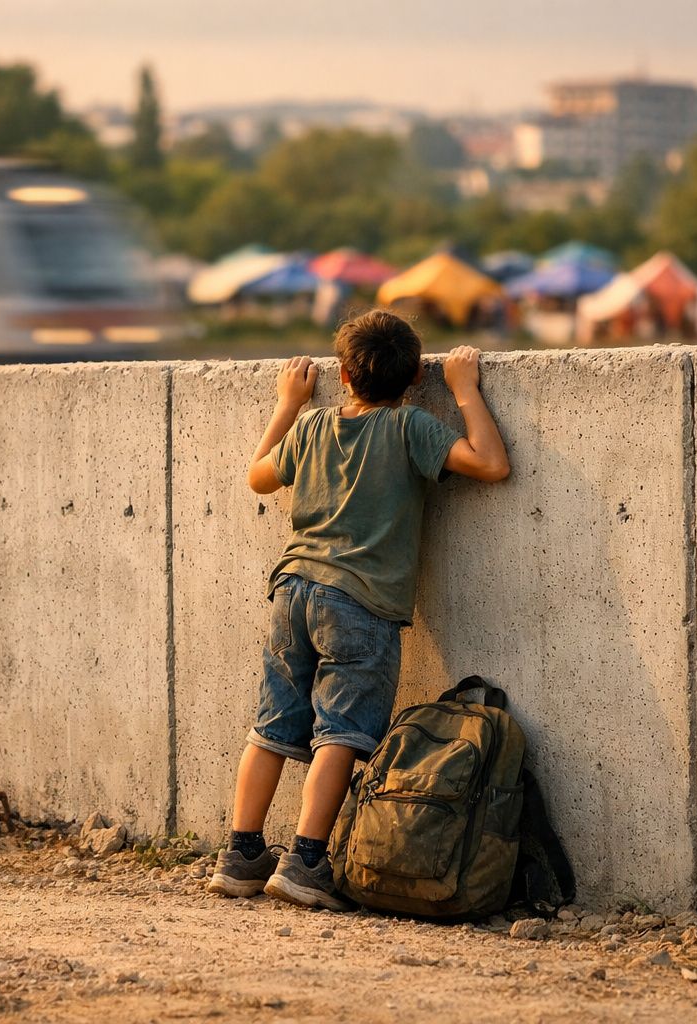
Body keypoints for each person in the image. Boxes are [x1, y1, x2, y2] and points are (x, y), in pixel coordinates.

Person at [206, 308, 511, 910]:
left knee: (271, 729)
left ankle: (240, 856)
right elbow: (492, 464)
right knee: (340, 733)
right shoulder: (410, 428)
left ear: (343, 373)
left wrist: (287, 404)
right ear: (414, 379)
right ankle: (306, 862)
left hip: (292, 588)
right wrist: (466, 390)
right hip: (360, 603)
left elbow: (259, 477)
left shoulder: (313, 425)